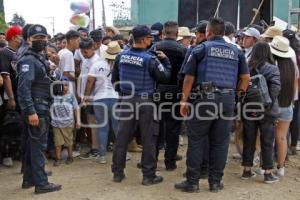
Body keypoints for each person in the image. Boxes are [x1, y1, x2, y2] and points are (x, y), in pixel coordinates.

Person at [175, 17, 250, 193]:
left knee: (197, 140)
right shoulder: (236, 51)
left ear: (208, 32)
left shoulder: (200, 49)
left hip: (203, 99)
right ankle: (215, 182)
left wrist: (184, 100)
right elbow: (246, 79)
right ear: (223, 32)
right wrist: (236, 97)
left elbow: (188, 78)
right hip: (227, 100)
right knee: (221, 142)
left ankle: (192, 182)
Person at [111, 25, 171, 185]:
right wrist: (165, 60)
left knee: (122, 138)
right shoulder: (150, 59)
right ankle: (148, 176)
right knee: (149, 139)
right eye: (150, 38)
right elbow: (165, 76)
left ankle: (117, 173)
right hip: (146, 102)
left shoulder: (120, 56)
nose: (152, 40)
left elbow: (114, 81)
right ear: (144, 39)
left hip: (126, 101)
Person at [17, 24, 61, 194]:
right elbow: (24, 88)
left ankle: (29, 178)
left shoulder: (37, 57)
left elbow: (42, 80)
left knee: (31, 145)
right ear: (28, 39)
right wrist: (31, 111)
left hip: (41, 104)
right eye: (37, 38)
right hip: (36, 108)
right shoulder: (28, 59)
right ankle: (41, 183)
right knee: (38, 146)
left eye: (43, 37)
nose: (41, 41)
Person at [241, 42, 281, 184]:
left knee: (249, 139)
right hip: (267, 111)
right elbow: (275, 89)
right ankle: (268, 173)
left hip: (249, 109)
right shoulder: (273, 69)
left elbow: (241, 89)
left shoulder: (247, 67)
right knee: (267, 141)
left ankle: (246, 170)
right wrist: (266, 105)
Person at [150, 21, 187, 171]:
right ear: (177, 34)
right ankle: (170, 162)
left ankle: (152, 160)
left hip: (158, 91)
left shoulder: (154, 48)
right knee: (173, 128)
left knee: (155, 126)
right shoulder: (184, 50)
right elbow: (186, 73)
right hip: (176, 92)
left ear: (163, 33)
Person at [83, 41, 121, 164]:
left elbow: (90, 81)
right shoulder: (120, 65)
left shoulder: (97, 64)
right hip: (115, 98)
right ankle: (122, 155)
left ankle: (102, 156)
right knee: (117, 127)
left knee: (102, 128)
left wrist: (86, 96)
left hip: (99, 99)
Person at [270, 36, 297, 177]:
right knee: (282, 137)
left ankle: (265, 166)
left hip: (272, 105)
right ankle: (281, 168)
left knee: (267, 135)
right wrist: (291, 102)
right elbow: (294, 86)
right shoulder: (292, 66)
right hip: (287, 105)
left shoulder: (271, 65)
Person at [0, 25, 22, 167]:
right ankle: (6, 155)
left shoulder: (20, 53)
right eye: (21, 35)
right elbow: (5, 76)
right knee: (7, 125)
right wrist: (11, 97)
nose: (23, 38)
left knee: (19, 125)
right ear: (14, 37)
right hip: (10, 95)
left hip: (21, 95)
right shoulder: (4, 52)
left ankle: (16, 152)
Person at [51, 76, 80, 166]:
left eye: (66, 85)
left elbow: (76, 108)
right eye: (62, 85)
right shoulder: (55, 96)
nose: (65, 87)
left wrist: (78, 121)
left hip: (68, 122)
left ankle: (70, 157)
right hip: (56, 123)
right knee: (57, 141)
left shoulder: (71, 96)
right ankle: (58, 158)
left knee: (69, 141)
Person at [283, 29, 300, 155]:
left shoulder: (288, 53)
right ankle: (293, 144)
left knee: (287, 116)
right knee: (295, 116)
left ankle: (287, 145)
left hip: (291, 88)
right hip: (297, 87)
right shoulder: (297, 52)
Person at [58, 30, 80, 95]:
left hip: (62, 86)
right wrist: (77, 80)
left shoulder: (61, 51)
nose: (79, 43)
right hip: (68, 88)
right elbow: (66, 74)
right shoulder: (68, 54)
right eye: (78, 41)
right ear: (71, 41)